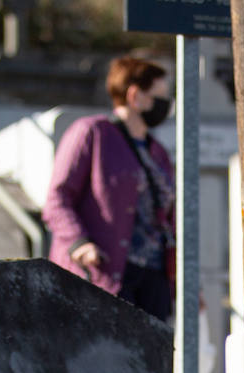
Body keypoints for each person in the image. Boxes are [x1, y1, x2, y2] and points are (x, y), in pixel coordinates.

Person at [42, 55, 175, 320]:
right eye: (159, 96)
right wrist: (79, 242)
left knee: (154, 357)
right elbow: (58, 198)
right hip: (106, 272)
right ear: (134, 95)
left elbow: (169, 215)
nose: (166, 105)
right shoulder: (92, 133)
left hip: (154, 277)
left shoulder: (158, 152)